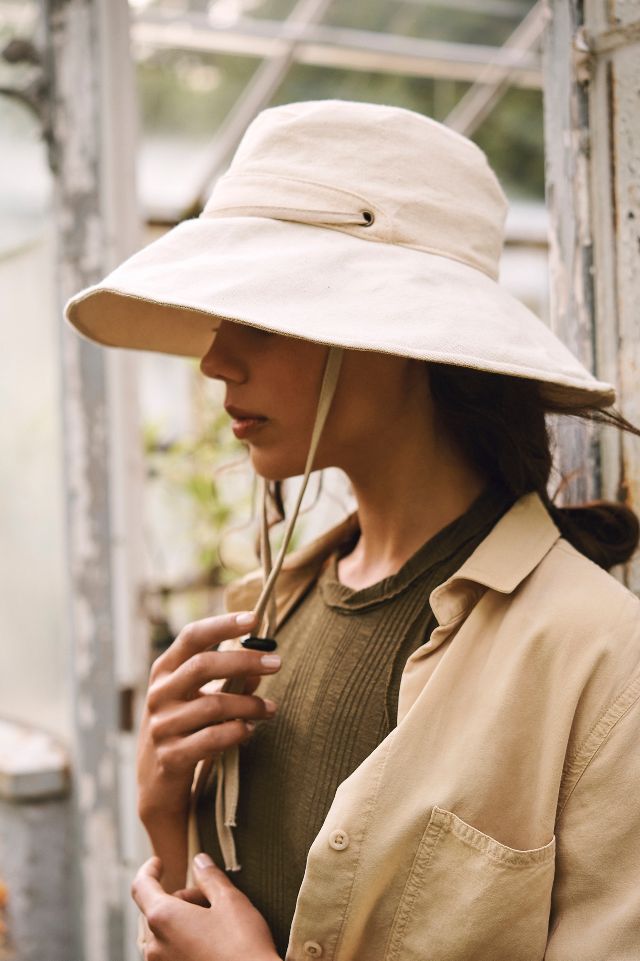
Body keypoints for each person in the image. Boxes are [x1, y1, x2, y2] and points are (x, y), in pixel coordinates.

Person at [65, 100, 640, 961]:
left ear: (396, 335)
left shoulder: (600, 660)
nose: (215, 359)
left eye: (256, 316)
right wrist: (165, 811)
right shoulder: (270, 610)